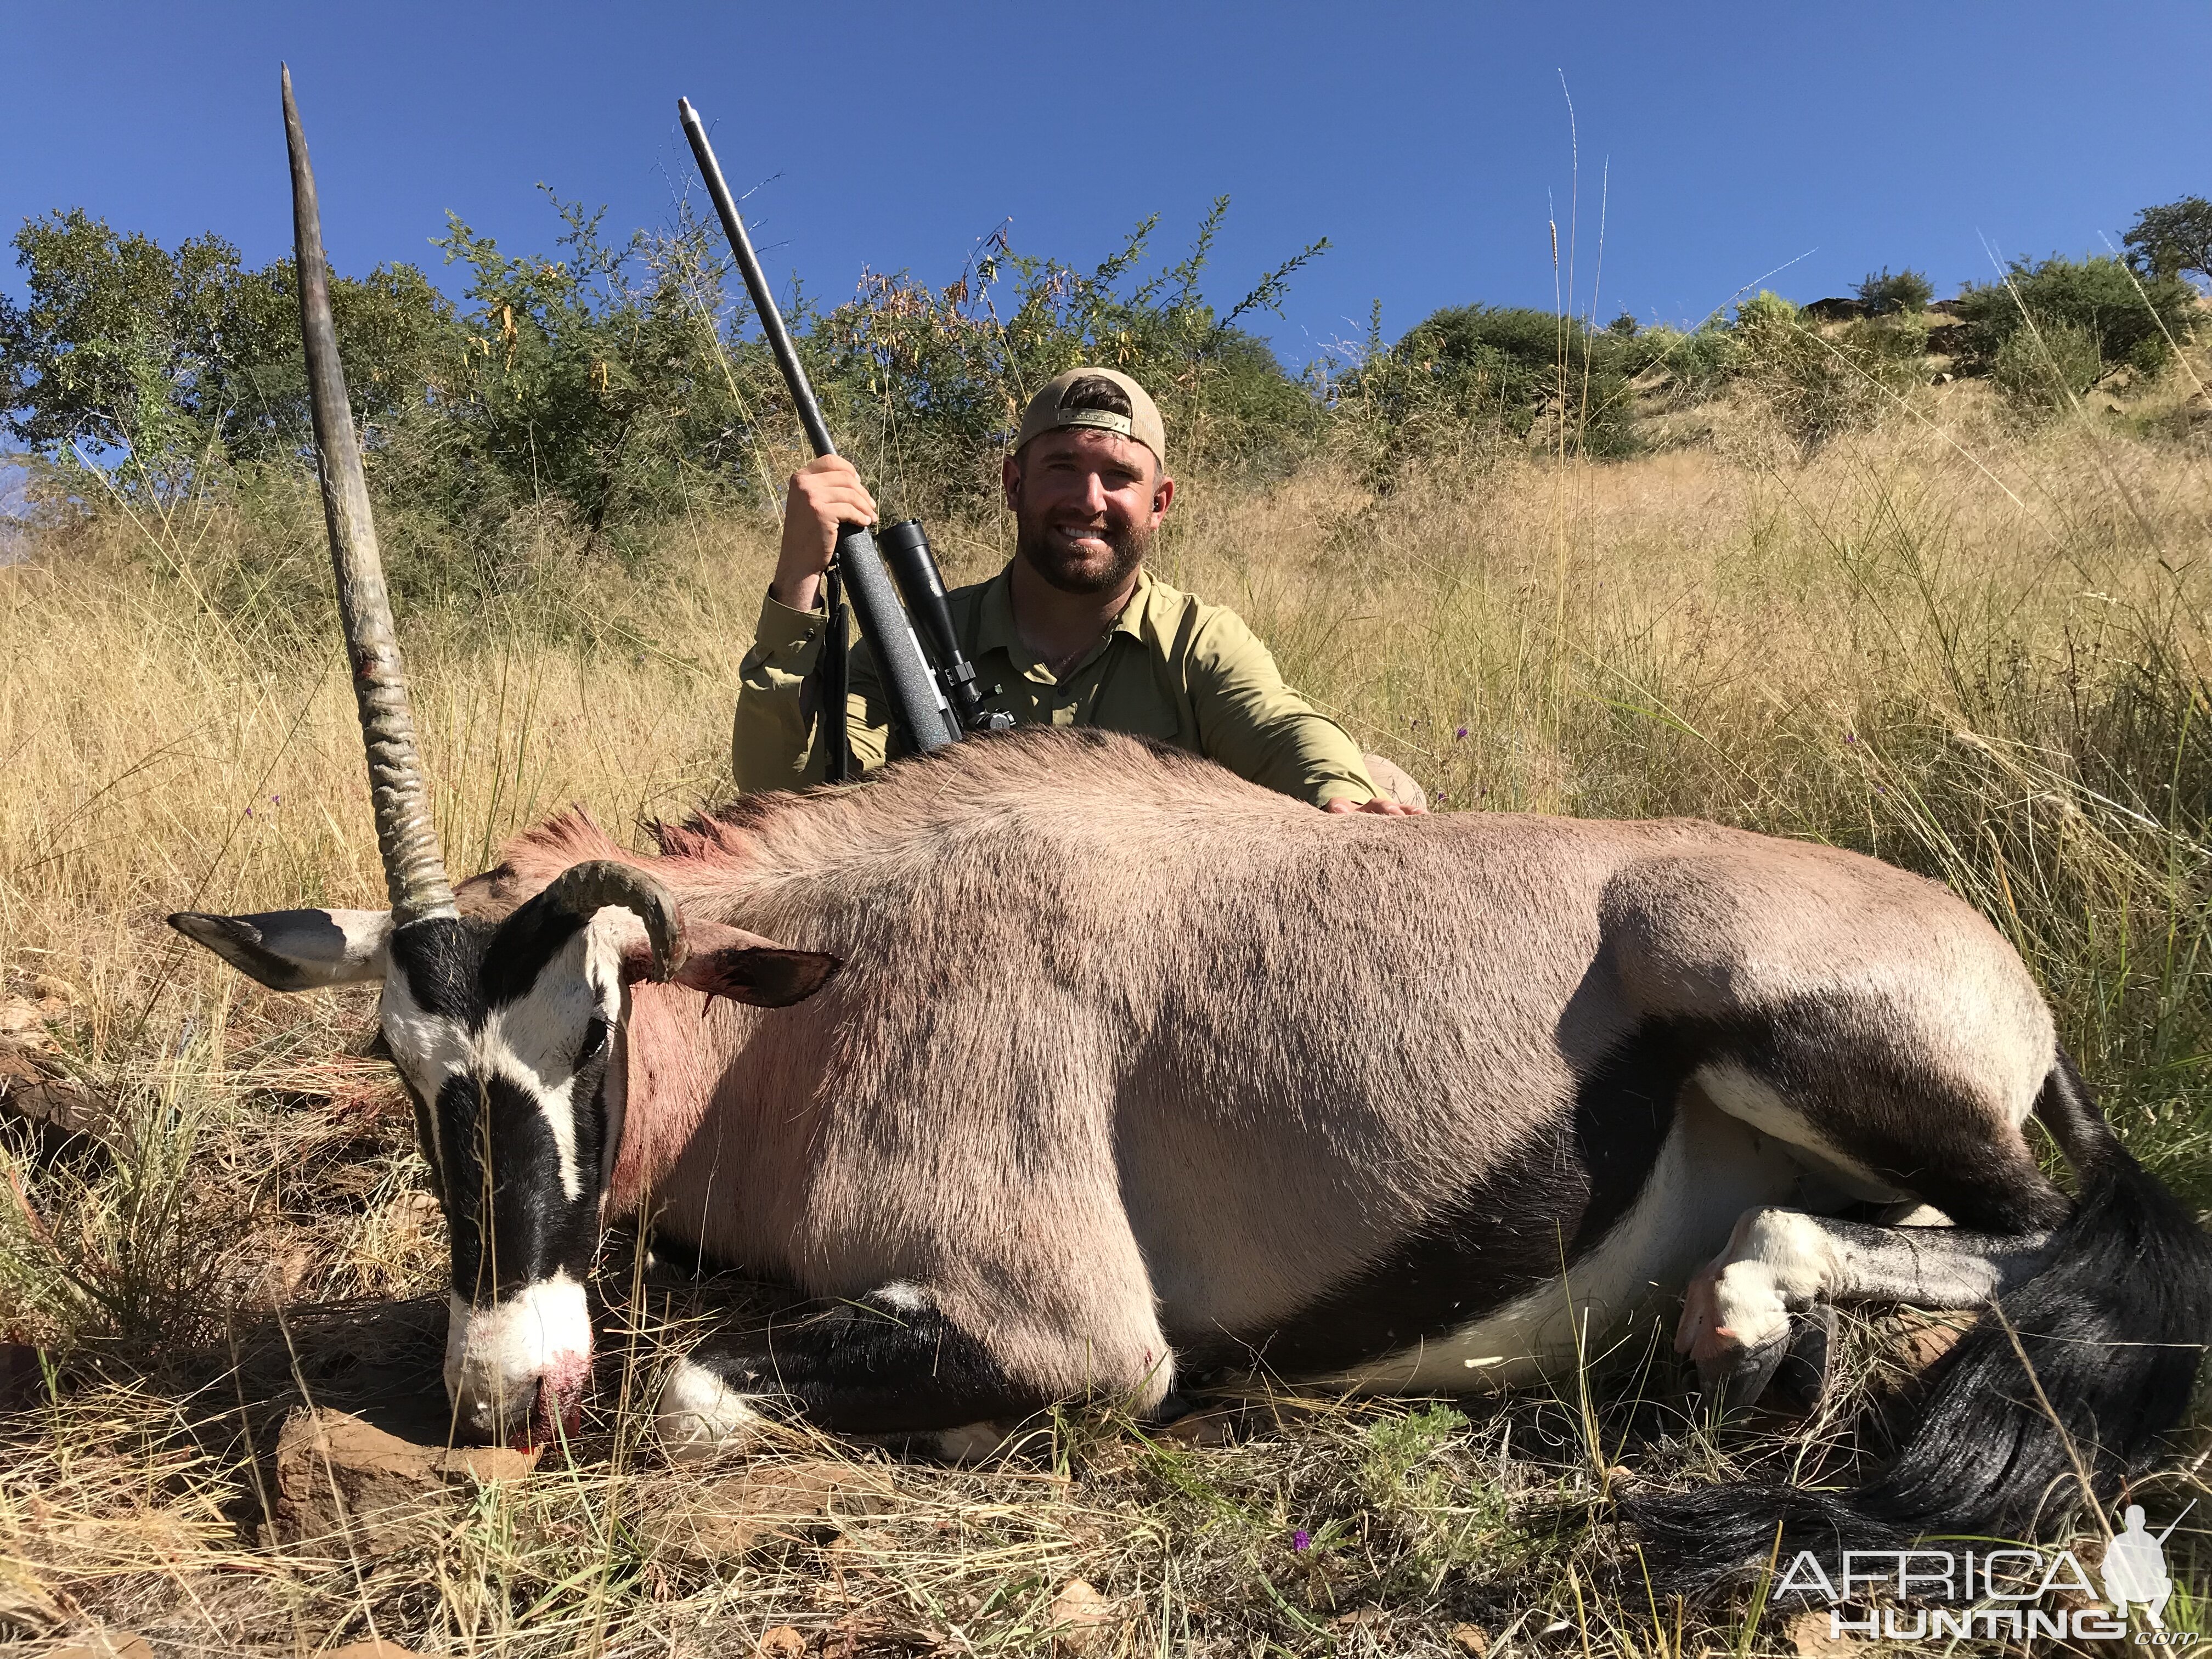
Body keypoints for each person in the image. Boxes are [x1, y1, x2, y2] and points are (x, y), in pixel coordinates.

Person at [731, 366, 1423, 814]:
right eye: (1062, 466)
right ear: (1013, 482)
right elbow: (781, 794)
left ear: (1160, 502)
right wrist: (799, 578)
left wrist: (1344, 797)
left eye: (1119, 476)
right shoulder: (907, 649)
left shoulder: (1197, 640)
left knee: (1382, 779)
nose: (1089, 499)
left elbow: (1278, 727)